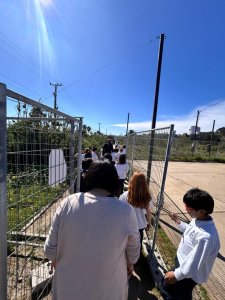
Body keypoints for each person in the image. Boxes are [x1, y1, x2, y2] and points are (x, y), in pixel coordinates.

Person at [44, 162, 140, 300]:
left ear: (88, 178)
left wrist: (55, 259)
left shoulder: (68, 203)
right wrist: (130, 263)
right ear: (114, 182)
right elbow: (133, 252)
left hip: (68, 289)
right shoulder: (125, 211)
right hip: (110, 290)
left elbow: (50, 251)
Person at [160, 188, 220, 300]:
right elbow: (191, 232)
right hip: (183, 264)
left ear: (202, 211)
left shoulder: (206, 238)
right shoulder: (199, 219)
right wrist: (178, 222)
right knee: (181, 293)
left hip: (189, 274)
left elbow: (194, 265)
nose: (186, 209)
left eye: (189, 208)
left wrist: (176, 275)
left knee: (169, 288)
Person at [119, 172, 152, 257]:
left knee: (127, 241)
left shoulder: (125, 195)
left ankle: (126, 255)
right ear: (144, 183)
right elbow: (148, 212)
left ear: (132, 181)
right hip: (140, 225)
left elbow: (120, 210)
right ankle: (137, 257)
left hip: (127, 224)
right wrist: (149, 222)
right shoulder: (147, 197)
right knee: (138, 241)